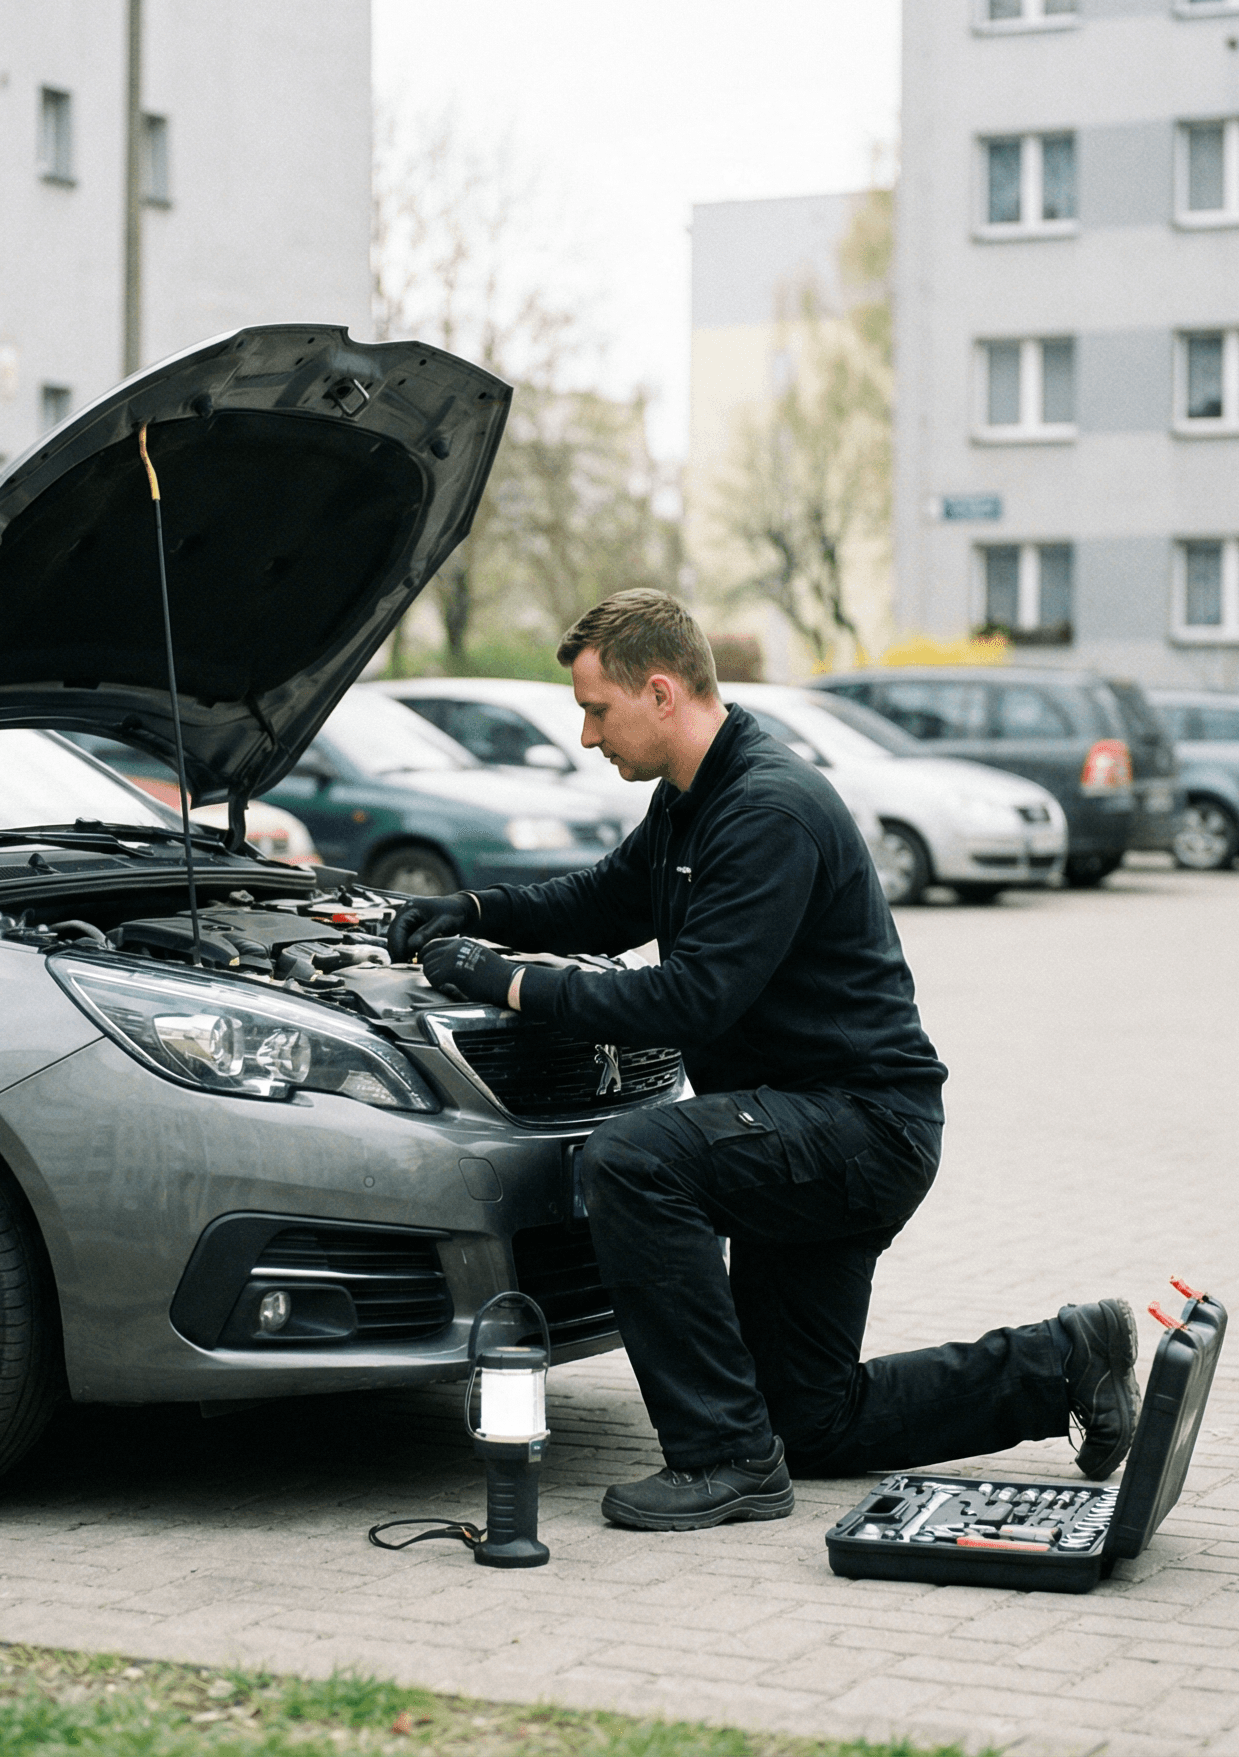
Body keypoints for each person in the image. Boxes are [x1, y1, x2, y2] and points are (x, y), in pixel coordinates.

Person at [388, 590, 1138, 1532]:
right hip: (804, 1124)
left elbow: (688, 999)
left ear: (661, 693)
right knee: (811, 1419)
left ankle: (722, 1459)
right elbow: (604, 900)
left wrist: (505, 983)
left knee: (634, 1158)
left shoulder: (766, 809)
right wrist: (476, 913)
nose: (586, 737)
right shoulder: (692, 801)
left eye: (596, 710)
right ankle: (1065, 1361)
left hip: (857, 1128)